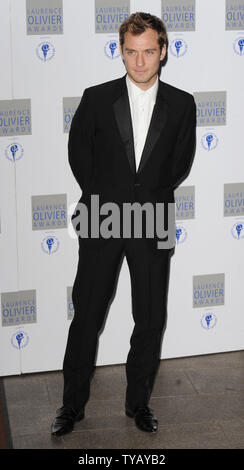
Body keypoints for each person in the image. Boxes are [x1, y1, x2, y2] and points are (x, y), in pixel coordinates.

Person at [51, 11, 196, 436]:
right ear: (121, 51)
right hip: (102, 217)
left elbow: (180, 163)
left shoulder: (183, 103)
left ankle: (139, 404)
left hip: (154, 219)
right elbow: (80, 157)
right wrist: (107, 200)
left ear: (163, 51)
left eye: (149, 51)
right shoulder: (96, 98)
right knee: (87, 316)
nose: (139, 62)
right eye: (131, 52)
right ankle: (71, 406)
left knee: (150, 318)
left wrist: (145, 198)